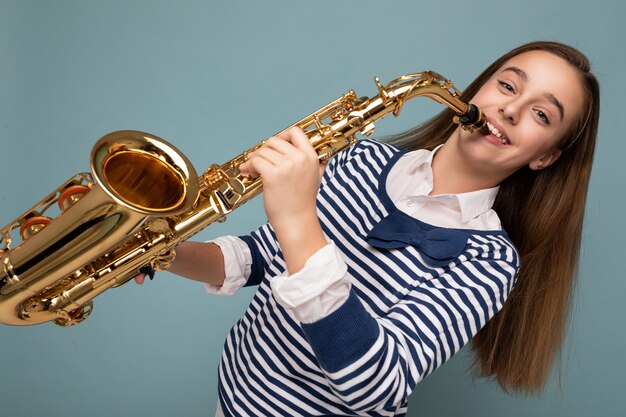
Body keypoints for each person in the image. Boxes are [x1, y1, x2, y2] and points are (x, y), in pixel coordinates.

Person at [136, 41, 600, 417]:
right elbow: (260, 257)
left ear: (544, 157)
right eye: (507, 85)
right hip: (232, 400)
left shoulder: (491, 261)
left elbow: (376, 387)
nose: (511, 109)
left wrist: (299, 220)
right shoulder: (364, 158)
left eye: (542, 114)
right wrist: (160, 250)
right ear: (477, 89)